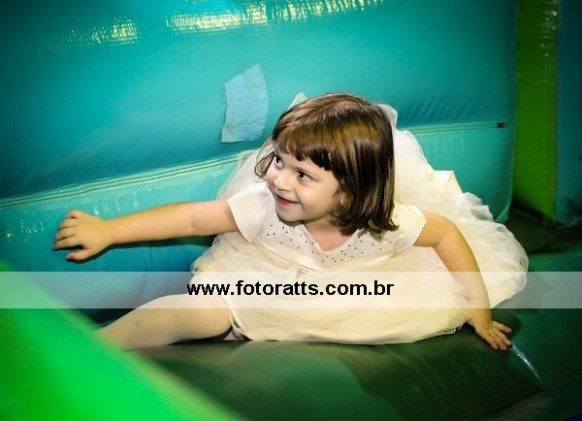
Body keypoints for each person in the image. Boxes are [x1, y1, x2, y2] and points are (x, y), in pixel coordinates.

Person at [53, 93, 527, 351]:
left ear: (351, 191)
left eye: (303, 174)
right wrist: (109, 230)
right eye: (279, 160)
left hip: (356, 289)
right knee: (197, 312)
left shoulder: (387, 225)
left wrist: (477, 305)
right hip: (264, 276)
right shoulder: (264, 207)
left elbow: (446, 233)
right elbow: (193, 216)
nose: (278, 179)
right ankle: (90, 349)